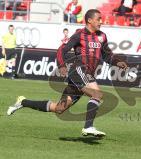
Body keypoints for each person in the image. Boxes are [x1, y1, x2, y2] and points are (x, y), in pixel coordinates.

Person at [7, 9, 128, 137]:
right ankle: (88, 127)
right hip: (79, 70)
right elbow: (61, 51)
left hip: (85, 75)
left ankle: (23, 102)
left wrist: (117, 62)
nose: (101, 21)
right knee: (97, 94)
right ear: (89, 20)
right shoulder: (79, 35)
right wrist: (62, 65)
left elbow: (107, 55)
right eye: (98, 19)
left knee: (59, 108)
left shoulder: (102, 36)